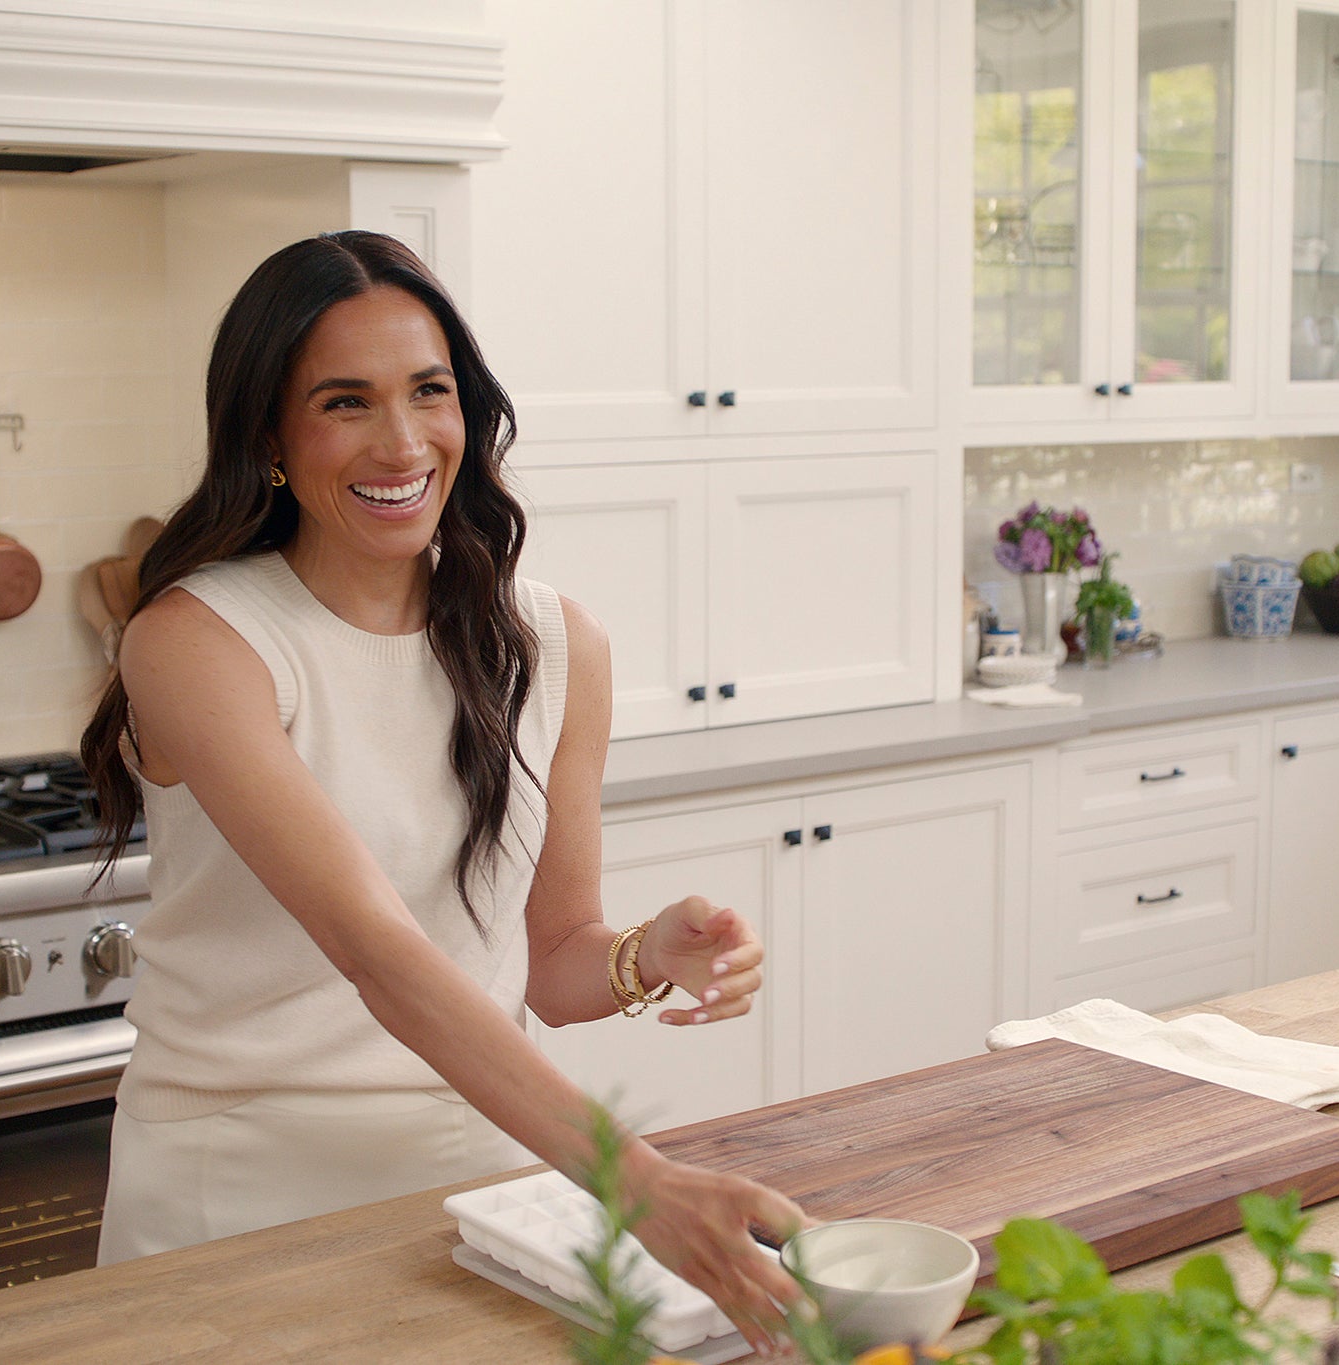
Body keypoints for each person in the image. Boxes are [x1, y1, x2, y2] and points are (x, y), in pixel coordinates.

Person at [79, 230, 808, 1351]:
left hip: (483, 1186)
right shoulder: (198, 643)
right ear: (268, 435)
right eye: (345, 403)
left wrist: (646, 954)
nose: (403, 441)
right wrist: (642, 1183)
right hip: (235, 1190)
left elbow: (549, 965)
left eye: (429, 392)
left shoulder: (553, 643)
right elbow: (378, 955)